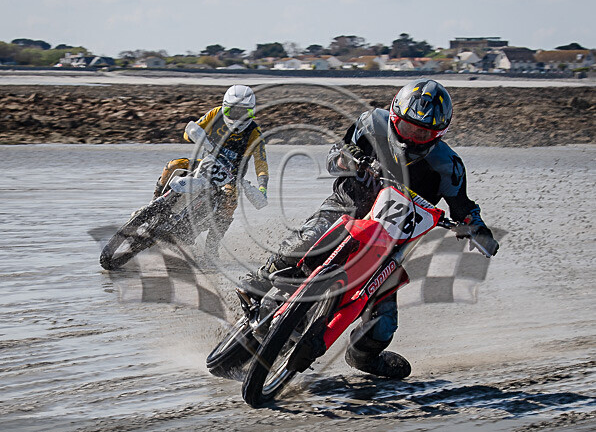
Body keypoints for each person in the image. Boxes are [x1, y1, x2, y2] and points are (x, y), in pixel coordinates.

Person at [241, 79, 499, 379]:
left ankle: (363, 357)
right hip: (347, 207)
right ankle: (260, 279)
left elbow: (463, 206)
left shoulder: (449, 165)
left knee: (383, 325)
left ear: (437, 134)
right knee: (309, 238)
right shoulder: (371, 123)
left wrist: (477, 229)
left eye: (423, 132)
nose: (413, 136)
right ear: (394, 116)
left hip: (394, 242)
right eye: (407, 126)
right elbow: (336, 154)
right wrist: (352, 159)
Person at [153, 85, 268, 260]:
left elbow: (261, 163)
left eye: (243, 113)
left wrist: (262, 189)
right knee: (173, 165)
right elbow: (190, 132)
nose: (238, 117)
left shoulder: (254, 132)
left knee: (229, 204)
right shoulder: (215, 114)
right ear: (225, 107)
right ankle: (153, 205)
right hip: (205, 164)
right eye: (233, 111)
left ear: (251, 112)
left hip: (231, 177)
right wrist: (194, 135)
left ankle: (211, 250)